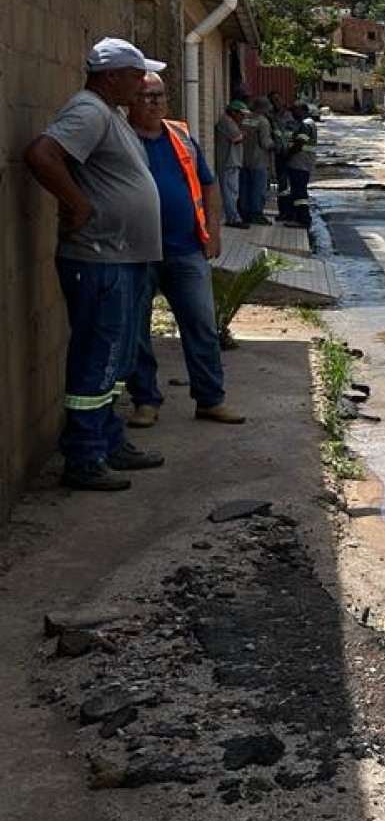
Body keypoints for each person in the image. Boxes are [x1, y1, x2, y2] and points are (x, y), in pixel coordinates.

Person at [21, 38, 172, 491]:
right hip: (100, 258)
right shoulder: (88, 111)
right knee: (98, 357)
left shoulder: (111, 114)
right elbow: (41, 155)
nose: (143, 81)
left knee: (116, 359)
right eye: (135, 73)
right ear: (111, 76)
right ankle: (85, 456)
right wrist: (77, 204)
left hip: (122, 258)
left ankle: (108, 440)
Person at [121, 72, 245, 429]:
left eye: (159, 95)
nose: (154, 102)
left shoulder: (180, 136)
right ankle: (145, 401)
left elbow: (208, 184)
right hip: (136, 252)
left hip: (186, 249)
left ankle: (210, 399)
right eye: (145, 96)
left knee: (202, 326)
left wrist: (214, 233)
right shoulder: (120, 138)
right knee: (137, 331)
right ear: (131, 100)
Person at [280, 103, 318, 227]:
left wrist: (287, 155)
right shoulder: (308, 123)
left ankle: (303, 219)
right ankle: (295, 216)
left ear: (303, 110)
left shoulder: (306, 124)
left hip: (300, 163)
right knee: (297, 191)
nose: (293, 114)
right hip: (302, 163)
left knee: (300, 192)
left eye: (295, 111)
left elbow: (299, 143)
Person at [239, 98, 275, 225]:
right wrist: (275, 145)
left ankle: (244, 213)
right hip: (258, 160)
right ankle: (256, 213)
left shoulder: (245, 119)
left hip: (243, 159)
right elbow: (265, 143)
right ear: (263, 108)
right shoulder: (263, 122)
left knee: (244, 188)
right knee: (258, 189)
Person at [213, 99, 247, 227]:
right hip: (229, 162)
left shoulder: (230, 122)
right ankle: (233, 218)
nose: (242, 117)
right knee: (230, 192)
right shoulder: (227, 122)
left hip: (232, 162)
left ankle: (233, 216)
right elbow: (237, 137)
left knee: (232, 191)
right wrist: (243, 134)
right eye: (241, 114)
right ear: (233, 112)